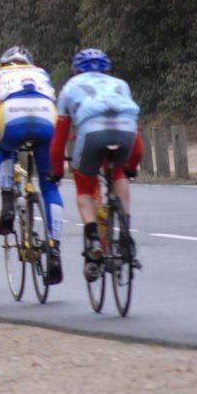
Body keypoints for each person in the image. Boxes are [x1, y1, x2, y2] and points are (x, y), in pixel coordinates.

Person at [52, 48, 143, 281]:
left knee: (84, 188)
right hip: (126, 132)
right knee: (121, 174)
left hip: (92, 133)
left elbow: (60, 138)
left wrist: (55, 171)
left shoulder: (69, 89)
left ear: (75, 70)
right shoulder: (121, 85)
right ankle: (125, 234)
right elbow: (136, 133)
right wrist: (132, 165)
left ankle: (93, 237)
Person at [0, 46, 64, 284]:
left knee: (4, 147)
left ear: (3, 63)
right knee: (50, 187)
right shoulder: (42, 74)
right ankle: (54, 248)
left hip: (11, 116)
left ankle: (7, 198)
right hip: (47, 117)